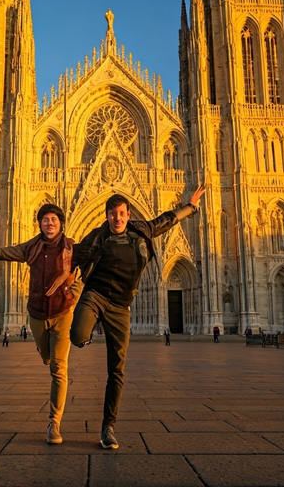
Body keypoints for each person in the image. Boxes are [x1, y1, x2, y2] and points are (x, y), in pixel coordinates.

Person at [71, 184, 205, 449]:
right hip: (96, 295)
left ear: (128, 214)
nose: (117, 218)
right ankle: (86, 334)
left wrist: (190, 206)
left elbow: (165, 221)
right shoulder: (97, 236)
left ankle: (108, 428)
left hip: (122, 305)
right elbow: (70, 254)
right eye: (112, 213)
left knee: (116, 370)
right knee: (76, 335)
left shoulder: (141, 230)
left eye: (121, 213)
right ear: (106, 215)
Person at [0, 204, 78, 445]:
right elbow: (4, 252)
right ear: (40, 223)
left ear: (61, 223)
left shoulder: (71, 248)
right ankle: (47, 354)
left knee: (59, 368)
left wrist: (74, 292)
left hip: (63, 312)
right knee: (47, 357)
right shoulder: (31, 247)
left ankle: (54, 423)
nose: (49, 223)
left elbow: (88, 268)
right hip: (36, 314)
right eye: (45, 219)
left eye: (53, 219)